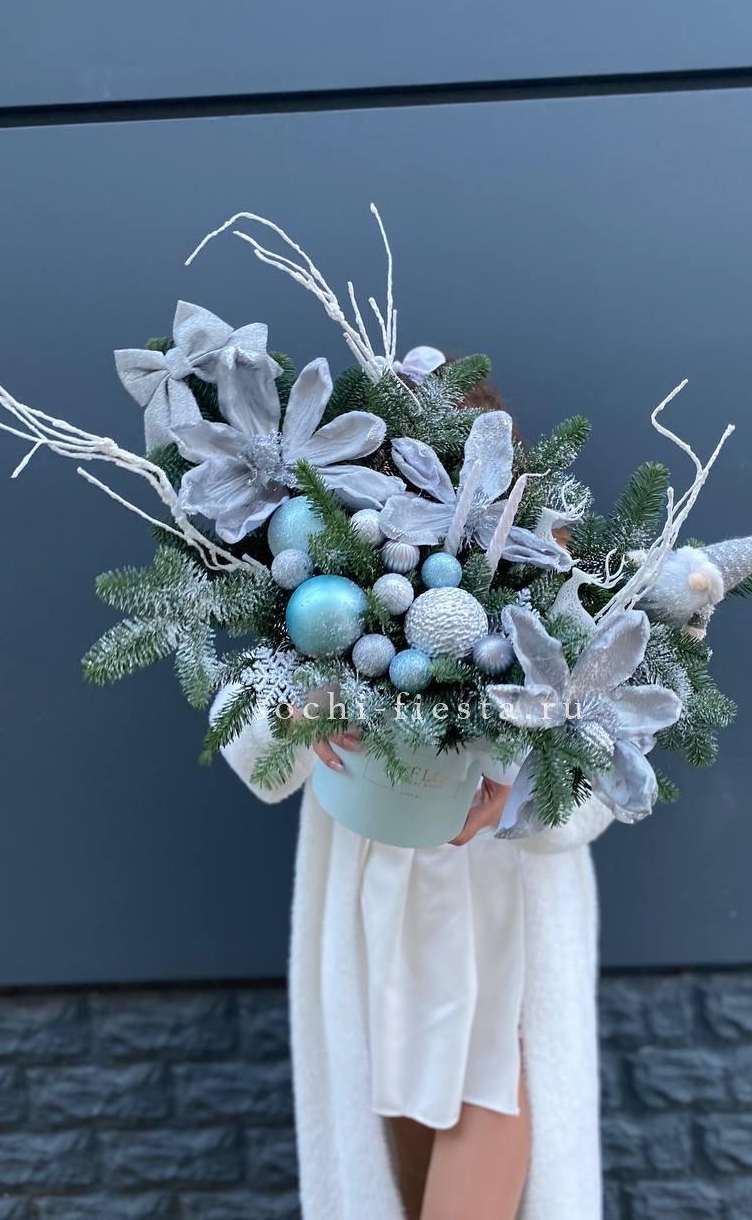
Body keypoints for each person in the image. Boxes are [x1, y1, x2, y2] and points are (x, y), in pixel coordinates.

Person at [216, 386, 614, 1219]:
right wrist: (304, 708)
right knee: (388, 1177)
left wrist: (517, 785)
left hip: (505, 939)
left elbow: (601, 782)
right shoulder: (327, 593)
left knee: (499, 1104)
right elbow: (257, 755)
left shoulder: (556, 599)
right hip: (378, 938)